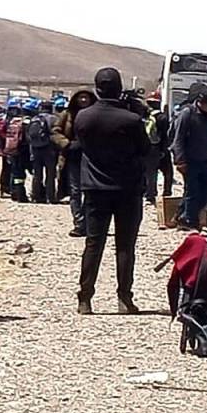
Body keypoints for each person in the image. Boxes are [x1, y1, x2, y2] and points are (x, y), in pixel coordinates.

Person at [74, 67, 150, 315]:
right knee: (125, 245)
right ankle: (124, 298)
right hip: (127, 187)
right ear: (119, 88)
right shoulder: (131, 120)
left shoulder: (83, 117)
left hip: (95, 187)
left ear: (96, 88)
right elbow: (146, 149)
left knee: (93, 243)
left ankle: (85, 298)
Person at [172, 83, 207, 230]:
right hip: (190, 159)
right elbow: (178, 139)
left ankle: (181, 216)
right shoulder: (187, 113)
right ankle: (189, 221)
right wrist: (180, 160)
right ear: (200, 101)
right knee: (192, 191)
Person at [51, 89, 98, 237]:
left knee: (90, 191)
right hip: (72, 156)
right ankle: (79, 223)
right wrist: (66, 144)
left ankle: (86, 222)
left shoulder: (96, 114)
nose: (83, 100)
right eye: (81, 98)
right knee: (75, 191)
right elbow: (55, 131)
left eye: (86, 98)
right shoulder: (67, 114)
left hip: (91, 157)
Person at [27, 100, 59, 204]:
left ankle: (35, 196)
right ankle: (50, 197)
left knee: (37, 174)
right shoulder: (54, 119)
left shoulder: (34, 119)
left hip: (36, 149)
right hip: (49, 150)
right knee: (50, 175)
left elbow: (29, 136)